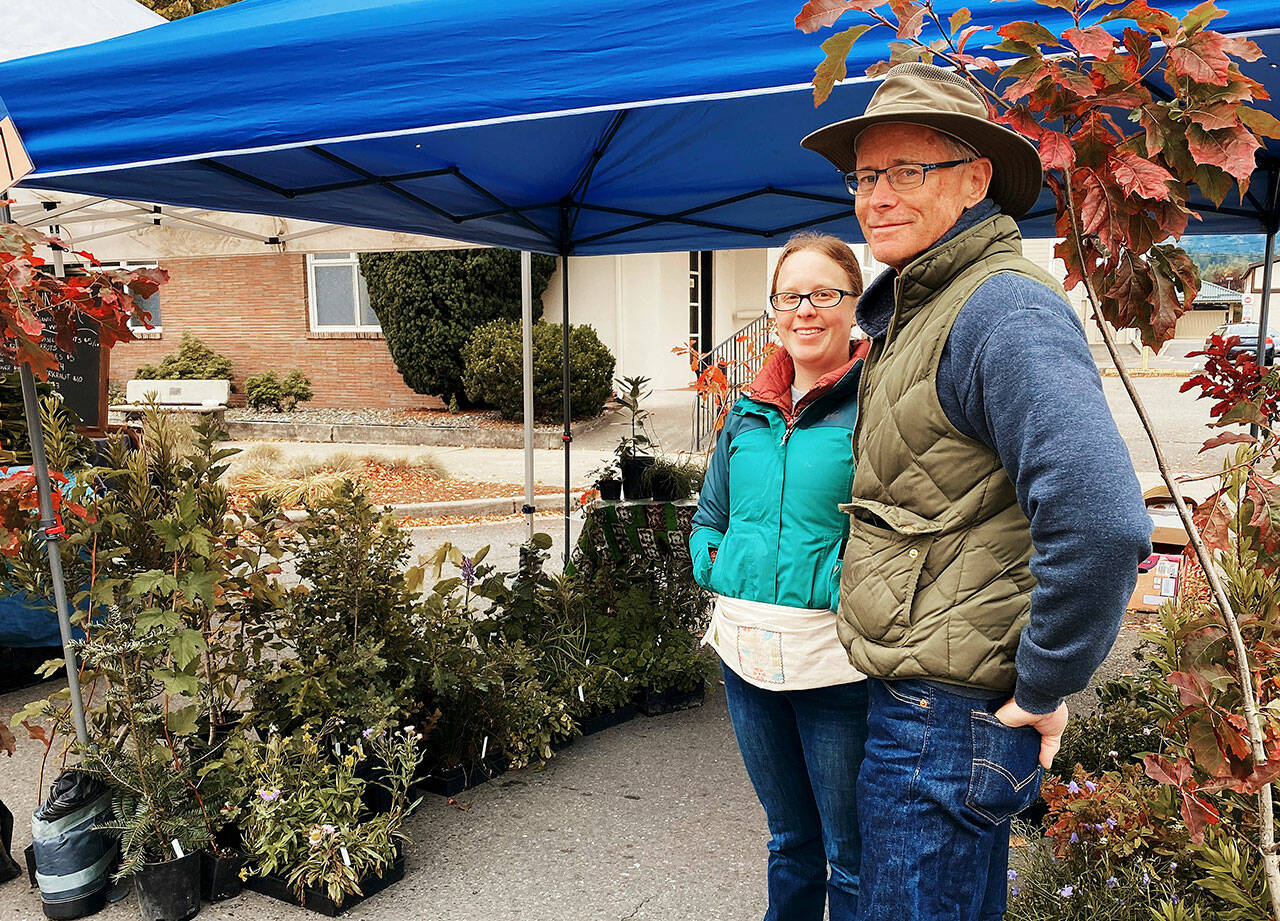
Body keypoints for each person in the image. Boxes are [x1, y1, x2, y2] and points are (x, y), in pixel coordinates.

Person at [800, 63, 1153, 919]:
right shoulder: (929, 305)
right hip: (932, 713)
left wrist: (1041, 685)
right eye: (865, 175)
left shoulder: (999, 310)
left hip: (945, 723)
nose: (875, 197)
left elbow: (1103, 523)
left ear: (975, 179)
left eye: (905, 172)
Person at [690, 232, 871, 921]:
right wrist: (721, 566)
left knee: (849, 856)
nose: (806, 309)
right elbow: (710, 516)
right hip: (746, 658)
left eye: (824, 294)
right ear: (774, 310)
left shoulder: (873, 405)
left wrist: (837, 581)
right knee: (789, 840)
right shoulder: (746, 411)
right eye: (791, 296)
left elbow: (891, 528)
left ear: (853, 305)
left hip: (834, 665)